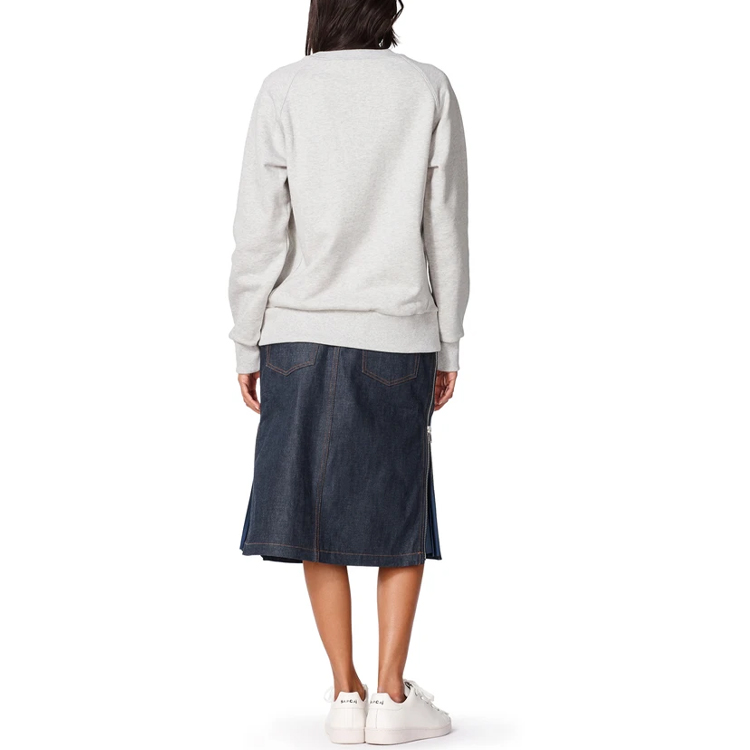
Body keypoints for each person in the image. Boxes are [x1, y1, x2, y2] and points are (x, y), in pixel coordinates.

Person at [228, 0, 469, 743]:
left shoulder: (285, 88)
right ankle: (391, 698)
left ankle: (345, 692)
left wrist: (246, 340)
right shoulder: (426, 87)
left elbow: (259, 230)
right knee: (401, 515)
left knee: (316, 517)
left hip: (297, 337)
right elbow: (446, 226)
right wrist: (448, 342)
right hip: (397, 336)